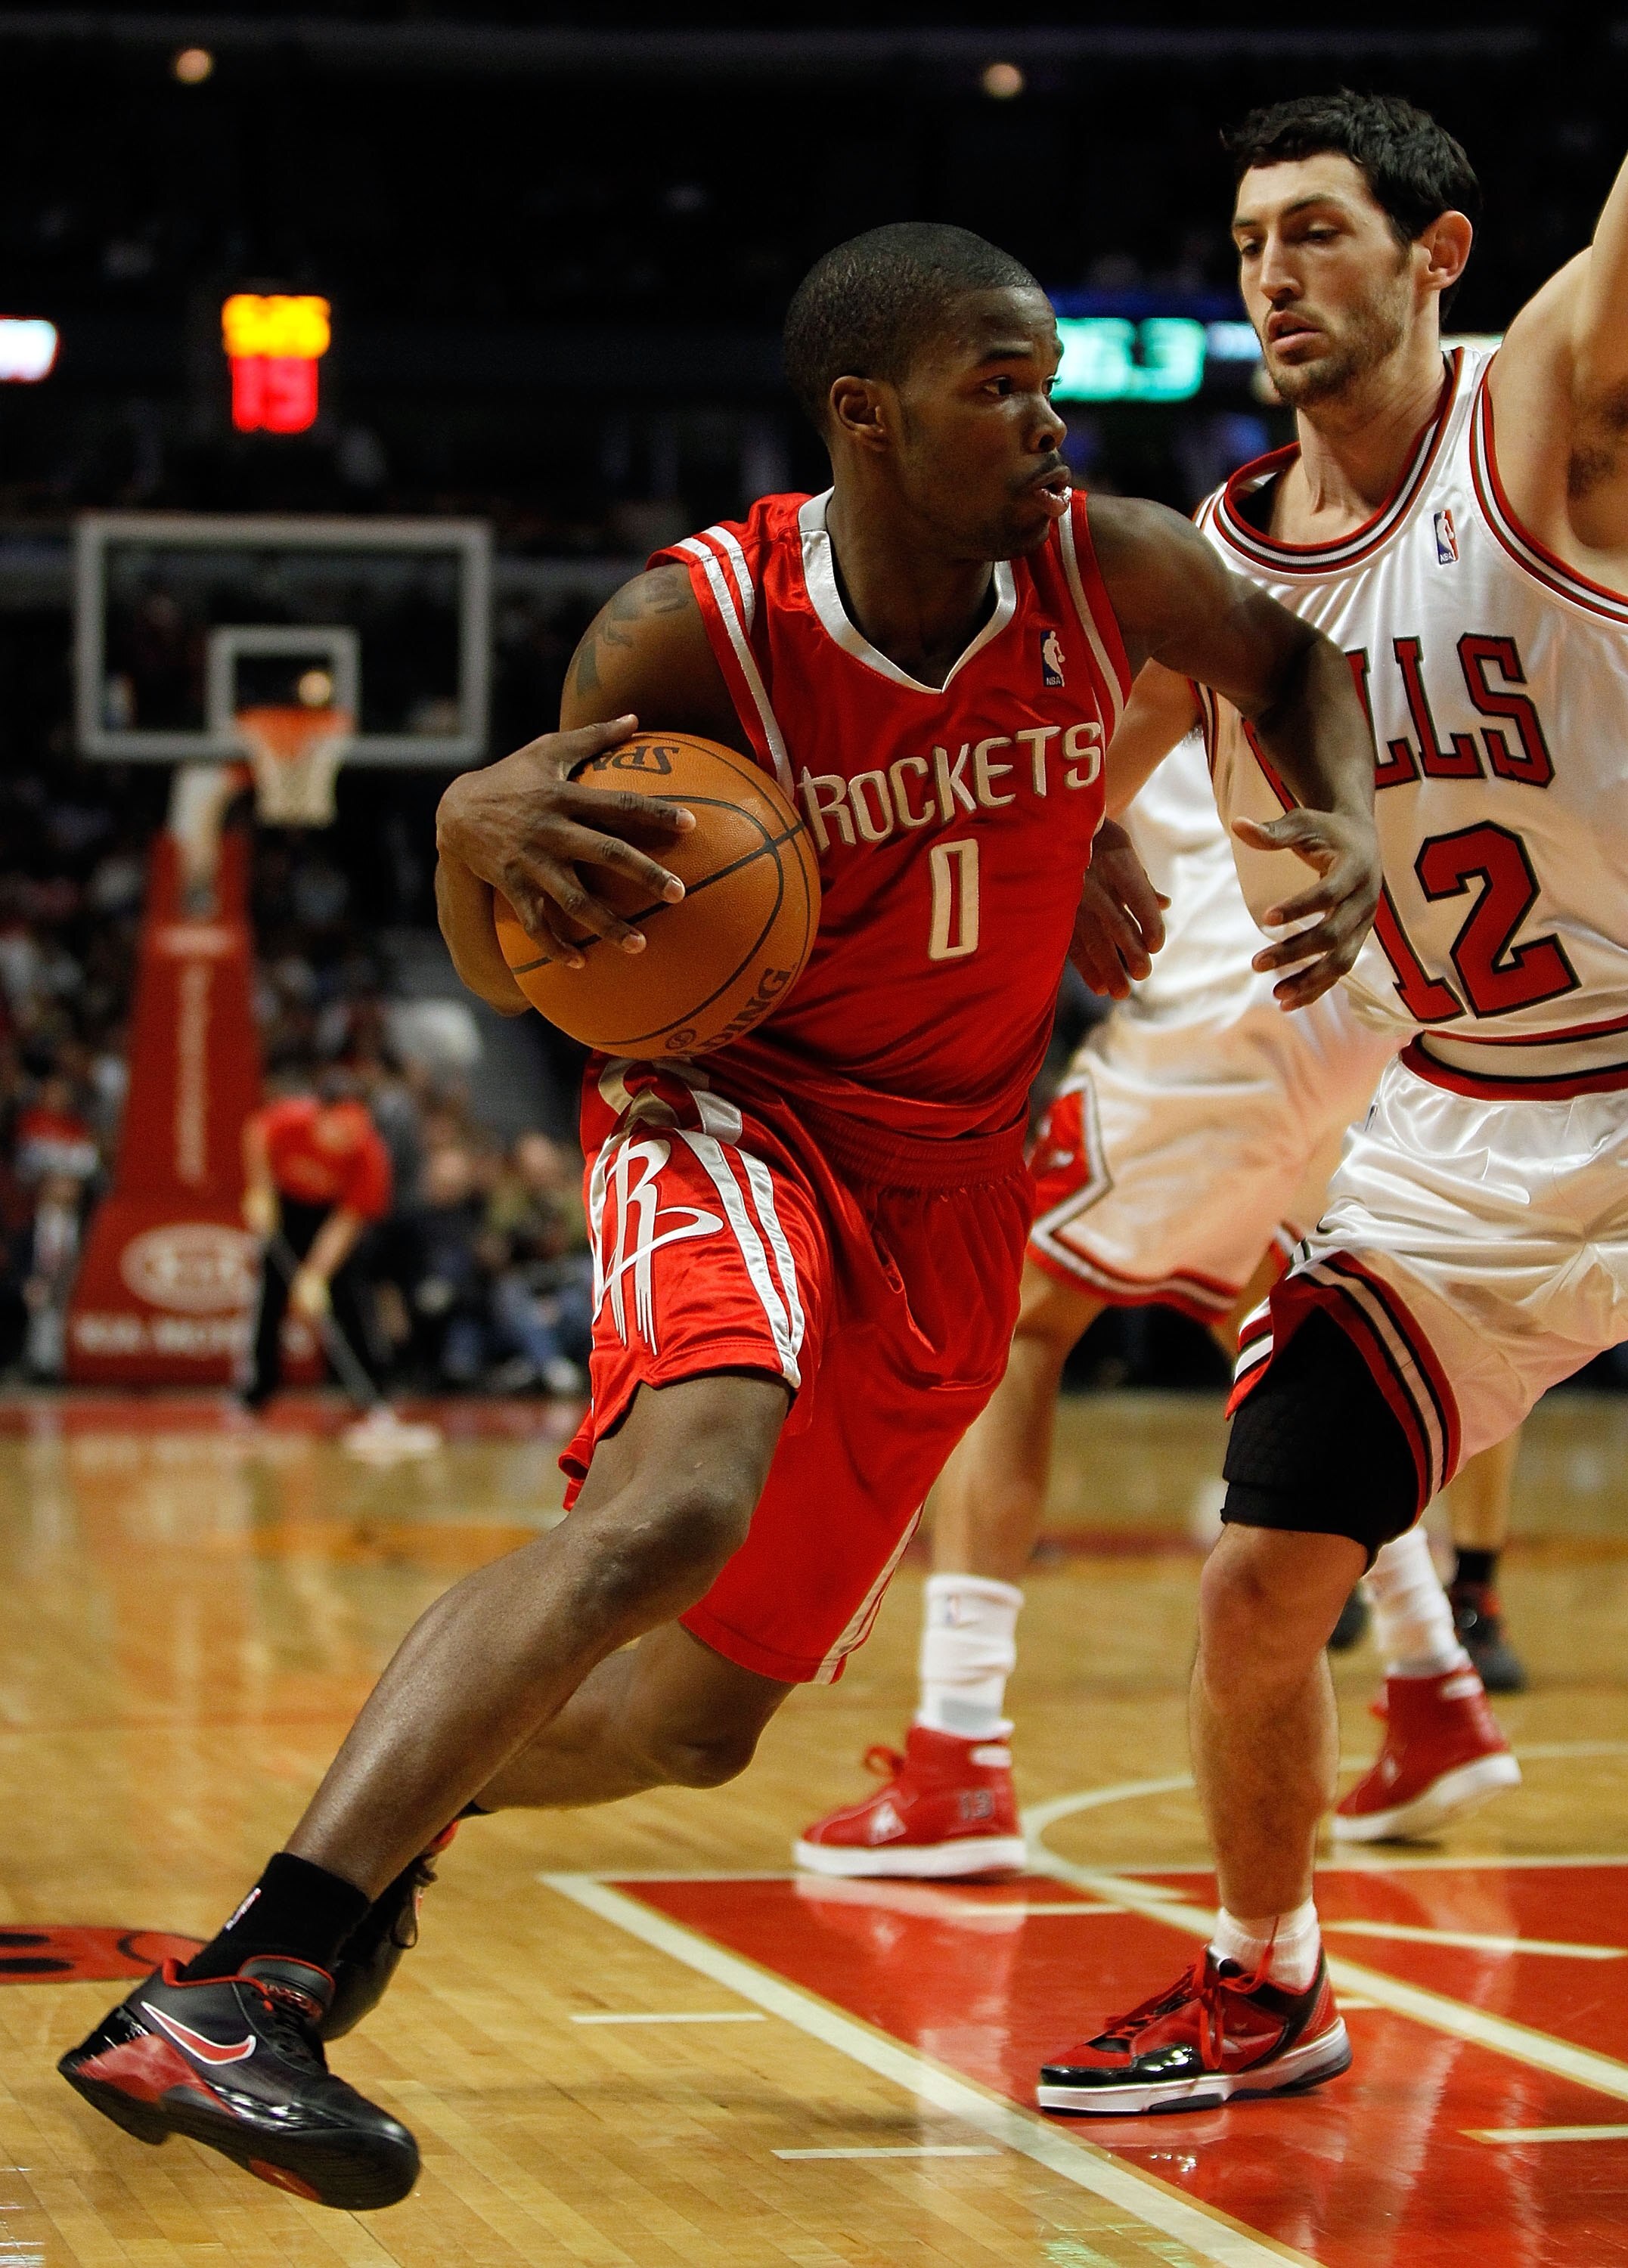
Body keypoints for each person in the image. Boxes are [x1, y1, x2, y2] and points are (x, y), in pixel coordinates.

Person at [59, 222, 1382, 2209]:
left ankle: (395, 1808)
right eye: (996, 387)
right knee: (673, 1507)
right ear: (864, 414)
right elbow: (517, 966)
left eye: (1047, 384)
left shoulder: (1102, 566)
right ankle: (255, 1979)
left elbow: (1294, 664)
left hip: (953, 1188)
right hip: (735, 1117)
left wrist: (1329, 812)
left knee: (691, 1732)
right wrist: (463, 839)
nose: (1046, 423)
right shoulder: (685, 635)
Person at [1035, 91, 1628, 2117]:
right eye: (1247, 242)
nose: (1271, 273)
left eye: (1315, 230)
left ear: (1437, 255)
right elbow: (1050, 776)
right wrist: (1077, 841)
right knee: (1260, 1580)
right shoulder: (1219, 567)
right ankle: (1267, 1977)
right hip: (1464, 1131)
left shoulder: (1543, 414)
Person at [795, 733, 1524, 1885]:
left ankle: (957, 1753)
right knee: (1290, 1321)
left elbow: (1084, 769)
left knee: (1013, 1326)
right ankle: (1434, 1687)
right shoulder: (1396, 610)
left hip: (1230, 995)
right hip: (1367, 994)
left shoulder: (1177, 614)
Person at [238, 1072, 392, 1413]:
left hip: (331, 1217)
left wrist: (315, 1274)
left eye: (355, 1130)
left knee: (349, 1299)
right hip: (288, 1209)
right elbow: (256, 1134)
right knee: (271, 1296)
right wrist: (260, 1189)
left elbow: (347, 1221)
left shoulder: (370, 1155)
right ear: (320, 1115)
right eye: (340, 1129)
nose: (348, 1139)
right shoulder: (290, 1119)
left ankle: (371, 1393)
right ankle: (256, 1391)